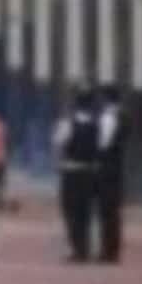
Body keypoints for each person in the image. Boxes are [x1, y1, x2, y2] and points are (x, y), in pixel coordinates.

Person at [52, 84, 102, 262]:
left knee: (71, 211)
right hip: (89, 172)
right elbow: (101, 147)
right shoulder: (97, 124)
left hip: (71, 171)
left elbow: (58, 143)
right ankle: (84, 248)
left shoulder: (68, 123)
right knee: (86, 212)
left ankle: (76, 248)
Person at [95, 85, 128, 263]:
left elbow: (103, 144)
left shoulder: (109, 118)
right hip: (117, 167)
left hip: (107, 168)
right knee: (113, 211)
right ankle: (112, 248)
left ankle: (108, 250)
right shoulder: (124, 115)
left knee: (106, 211)